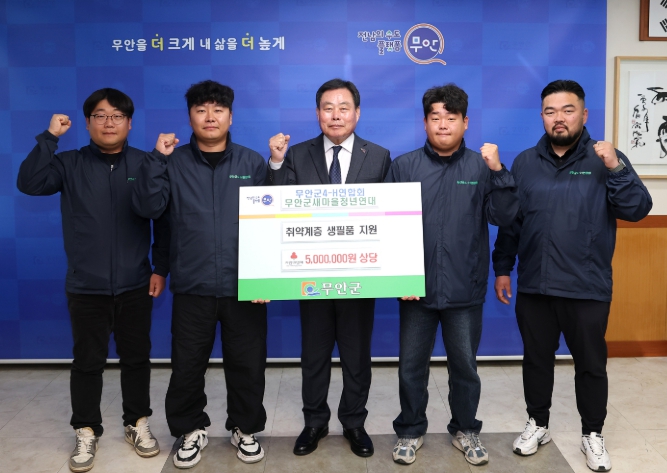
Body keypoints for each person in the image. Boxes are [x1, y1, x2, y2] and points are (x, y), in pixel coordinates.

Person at [492, 79, 652, 472]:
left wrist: (615, 167)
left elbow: (637, 209)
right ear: (542, 117)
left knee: (591, 365)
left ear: (583, 114)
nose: (559, 118)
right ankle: (538, 423)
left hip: (587, 286)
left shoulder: (606, 159)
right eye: (551, 111)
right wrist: (503, 268)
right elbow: (512, 222)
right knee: (536, 361)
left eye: (567, 110)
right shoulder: (525, 162)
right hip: (536, 284)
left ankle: (592, 433)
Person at [16, 88, 168, 473]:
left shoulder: (145, 162)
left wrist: (160, 268)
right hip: (86, 285)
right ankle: (86, 429)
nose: (108, 123)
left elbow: (163, 217)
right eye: (100, 115)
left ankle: (137, 423)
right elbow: (29, 183)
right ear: (87, 123)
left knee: (137, 359)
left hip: (136, 282)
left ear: (129, 123)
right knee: (87, 362)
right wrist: (50, 138)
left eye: (117, 116)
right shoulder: (69, 163)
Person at [132, 80, 269, 468]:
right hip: (192, 284)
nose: (210, 117)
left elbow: (270, 226)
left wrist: (265, 278)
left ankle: (244, 428)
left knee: (247, 365)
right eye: (201, 110)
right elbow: (152, 212)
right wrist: (156, 161)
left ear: (231, 116)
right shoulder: (172, 162)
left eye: (218, 110)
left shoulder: (251, 163)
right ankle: (190, 428)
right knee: (187, 366)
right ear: (190, 116)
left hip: (244, 286)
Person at [386, 83, 518, 467]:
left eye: (451, 117)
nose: (443, 124)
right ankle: (410, 430)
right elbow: (388, 228)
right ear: (425, 122)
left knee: (465, 368)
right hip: (416, 289)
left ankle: (465, 428)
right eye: (435, 117)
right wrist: (400, 278)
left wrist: (499, 171)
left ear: (465, 122)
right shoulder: (404, 166)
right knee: (411, 368)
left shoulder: (481, 167)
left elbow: (504, 216)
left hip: (465, 288)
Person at [267, 78, 391, 458]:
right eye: (327, 108)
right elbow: (277, 206)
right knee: (314, 355)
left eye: (343, 108)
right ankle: (315, 422)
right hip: (312, 276)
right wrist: (276, 163)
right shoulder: (296, 154)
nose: (335, 115)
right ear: (318, 113)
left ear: (357, 113)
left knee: (357, 356)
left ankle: (353, 422)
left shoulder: (379, 156)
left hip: (360, 278)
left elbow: (390, 217)